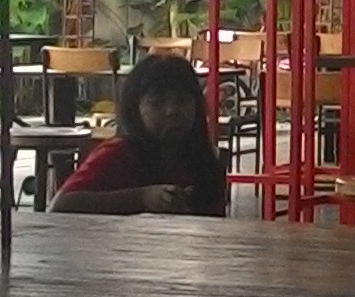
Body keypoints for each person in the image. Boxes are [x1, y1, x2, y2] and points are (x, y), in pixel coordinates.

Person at [53, 53, 230, 215]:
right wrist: (142, 198)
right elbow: (61, 205)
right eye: (157, 102)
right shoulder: (117, 154)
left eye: (183, 101)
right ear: (135, 108)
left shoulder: (203, 159)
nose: (172, 111)